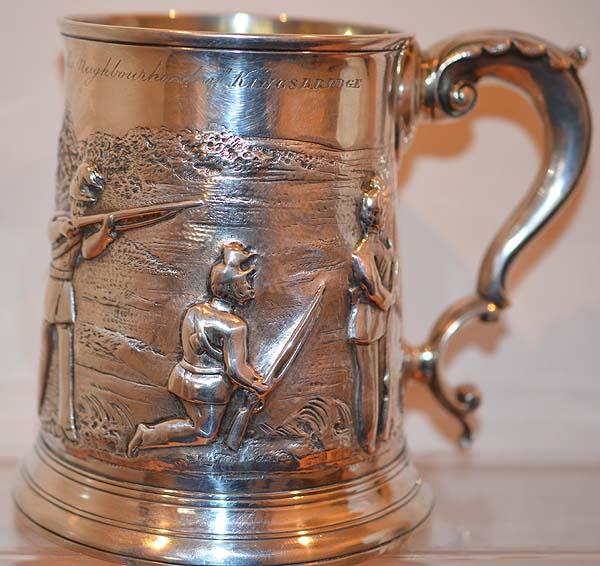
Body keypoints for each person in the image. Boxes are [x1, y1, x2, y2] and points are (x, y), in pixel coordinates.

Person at [127, 242, 269, 456]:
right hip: (209, 388)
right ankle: (147, 435)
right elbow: (236, 370)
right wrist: (260, 387)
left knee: (196, 425)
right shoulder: (234, 326)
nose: (251, 287)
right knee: (204, 433)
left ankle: (149, 436)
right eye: (247, 281)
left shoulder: (194, 311)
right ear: (232, 287)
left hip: (183, 377)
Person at [38, 163, 117, 441]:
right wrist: (67, 226)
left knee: (64, 355)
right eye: (80, 201)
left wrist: (104, 234)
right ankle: (44, 407)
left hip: (65, 291)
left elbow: (87, 251)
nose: (83, 207)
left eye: (87, 203)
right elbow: (54, 229)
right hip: (55, 288)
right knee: (48, 346)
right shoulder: (62, 220)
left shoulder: (85, 227)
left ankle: (65, 420)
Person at [348, 176, 398, 454]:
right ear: (364, 216)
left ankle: (377, 436)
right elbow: (377, 292)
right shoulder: (362, 253)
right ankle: (366, 443)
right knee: (367, 385)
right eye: (372, 212)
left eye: (379, 211)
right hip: (365, 324)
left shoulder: (382, 248)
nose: (375, 217)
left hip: (377, 322)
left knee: (377, 382)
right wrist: (390, 300)